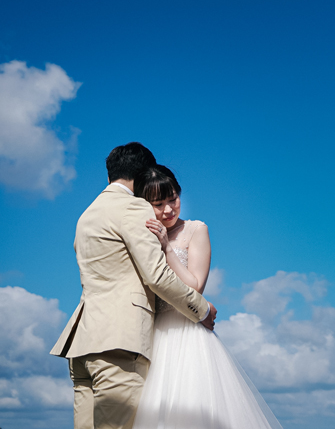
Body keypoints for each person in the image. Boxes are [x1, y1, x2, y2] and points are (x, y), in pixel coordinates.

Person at [51, 143, 218, 429]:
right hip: (119, 341)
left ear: (109, 176)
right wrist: (201, 310)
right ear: (143, 176)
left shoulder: (88, 214)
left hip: (83, 344)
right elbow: (156, 276)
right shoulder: (133, 207)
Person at [131, 164, 283, 429]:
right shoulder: (142, 235)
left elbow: (195, 287)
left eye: (173, 199)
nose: (168, 210)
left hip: (188, 334)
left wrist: (167, 249)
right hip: (153, 335)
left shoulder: (196, 229)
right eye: (158, 204)